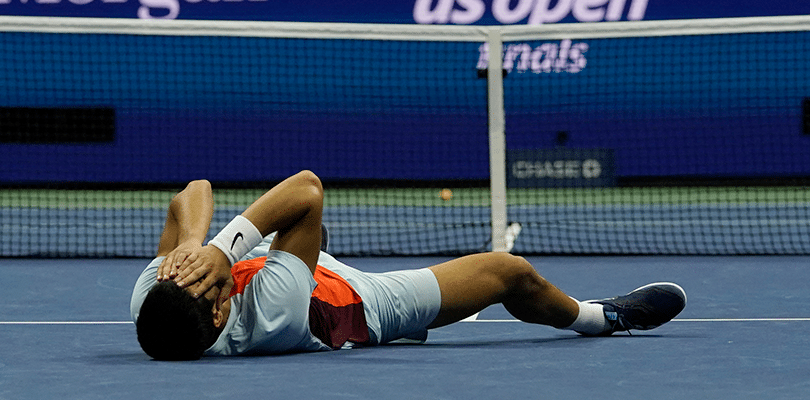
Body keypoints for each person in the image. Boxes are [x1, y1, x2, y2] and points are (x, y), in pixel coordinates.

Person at [131, 170, 686, 360]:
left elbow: (193, 191)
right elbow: (307, 187)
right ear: (223, 318)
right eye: (213, 289)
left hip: (290, 269)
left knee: (305, 234)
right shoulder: (270, 316)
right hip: (350, 306)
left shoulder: (153, 296)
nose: (205, 278)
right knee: (508, 271)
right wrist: (225, 254)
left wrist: (197, 244)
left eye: (190, 273)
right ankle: (602, 317)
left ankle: (304, 249)